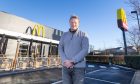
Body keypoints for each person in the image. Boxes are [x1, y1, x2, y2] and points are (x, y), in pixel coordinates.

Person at [58, 15, 89, 84]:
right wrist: (65, 60)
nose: (73, 24)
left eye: (75, 22)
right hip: (65, 67)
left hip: (79, 68)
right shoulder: (64, 35)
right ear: (69, 23)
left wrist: (72, 61)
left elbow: (85, 50)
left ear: (79, 23)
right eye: (71, 22)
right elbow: (60, 48)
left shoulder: (84, 35)